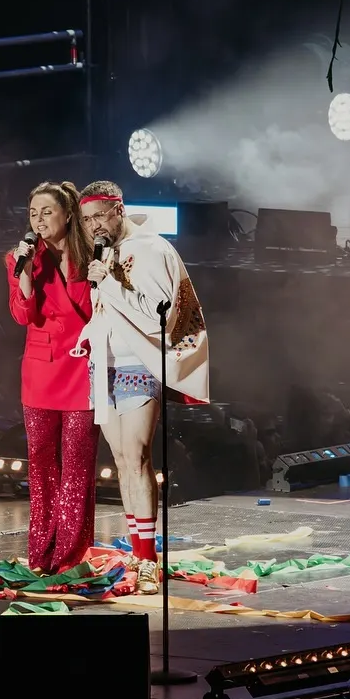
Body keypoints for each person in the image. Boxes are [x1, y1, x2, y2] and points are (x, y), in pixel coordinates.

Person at [75, 180, 210, 594]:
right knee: (120, 461)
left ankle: (148, 562)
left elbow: (157, 313)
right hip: (106, 364)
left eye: (100, 216)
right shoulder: (106, 253)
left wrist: (109, 282)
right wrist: (87, 334)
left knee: (136, 459)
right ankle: (137, 554)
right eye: (86, 220)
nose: (94, 225)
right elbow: (109, 311)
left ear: (119, 209)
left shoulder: (152, 249)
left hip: (138, 363)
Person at [6, 182, 98, 572]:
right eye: (33, 213)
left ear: (68, 214)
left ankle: (71, 557)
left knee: (77, 470)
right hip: (40, 372)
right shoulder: (18, 258)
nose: (39, 220)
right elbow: (22, 316)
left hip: (82, 368)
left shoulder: (93, 256)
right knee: (42, 469)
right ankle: (41, 555)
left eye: (46, 211)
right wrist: (24, 274)